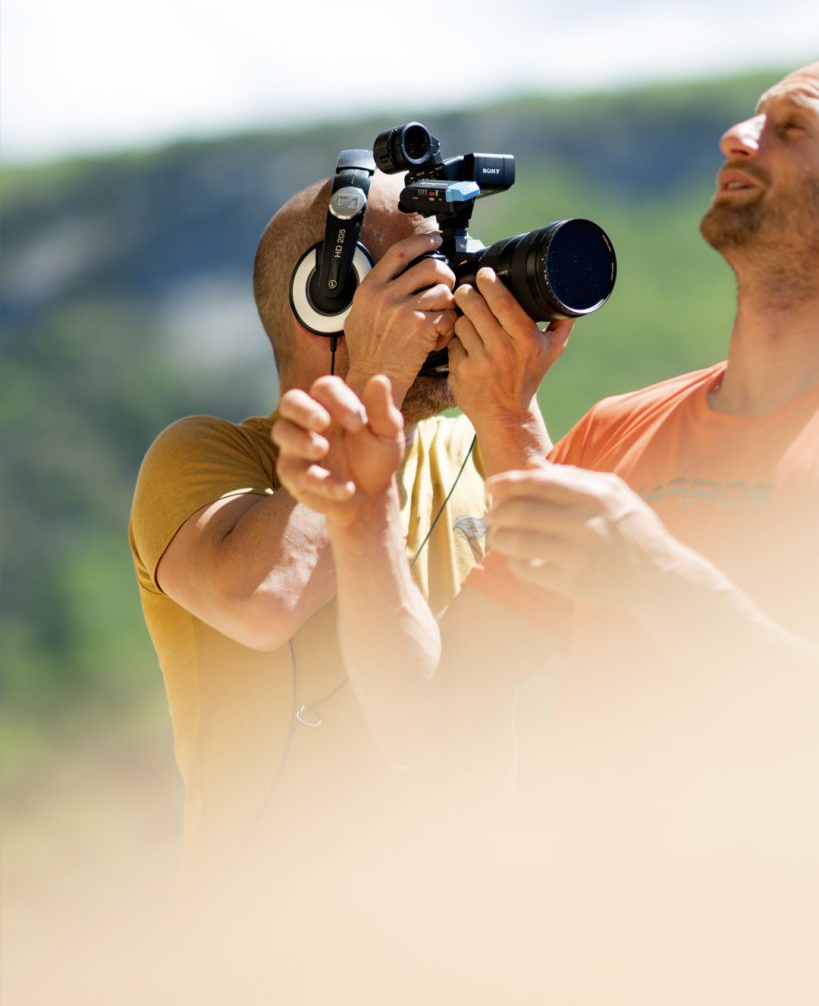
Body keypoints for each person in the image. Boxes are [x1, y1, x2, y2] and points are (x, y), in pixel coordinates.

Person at [274, 64, 819, 997]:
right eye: (748, 116)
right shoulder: (614, 432)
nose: (735, 134)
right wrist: (360, 520)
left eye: (791, 126)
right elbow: (432, 723)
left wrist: (657, 577)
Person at [128, 166, 568, 887]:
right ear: (325, 296)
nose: (456, 307)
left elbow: (581, 606)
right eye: (425, 285)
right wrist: (377, 381)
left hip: (470, 911)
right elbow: (263, 600)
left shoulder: (472, 445)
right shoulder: (204, 456)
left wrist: (514, 412)